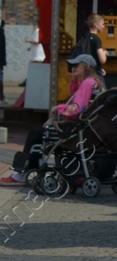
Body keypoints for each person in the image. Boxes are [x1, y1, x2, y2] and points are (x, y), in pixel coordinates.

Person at [2, 54, 105, 184]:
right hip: (86, 130)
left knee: (36, 134)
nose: (73, 68)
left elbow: (77, 109)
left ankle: (23, 172)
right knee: (38, 133)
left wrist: (58, 108)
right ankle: (26, 170)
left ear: (87, 66)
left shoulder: (87, 83)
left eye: (77, 65)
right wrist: (74, 80)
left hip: (76, 131)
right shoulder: (94, 82)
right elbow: (77, 98)